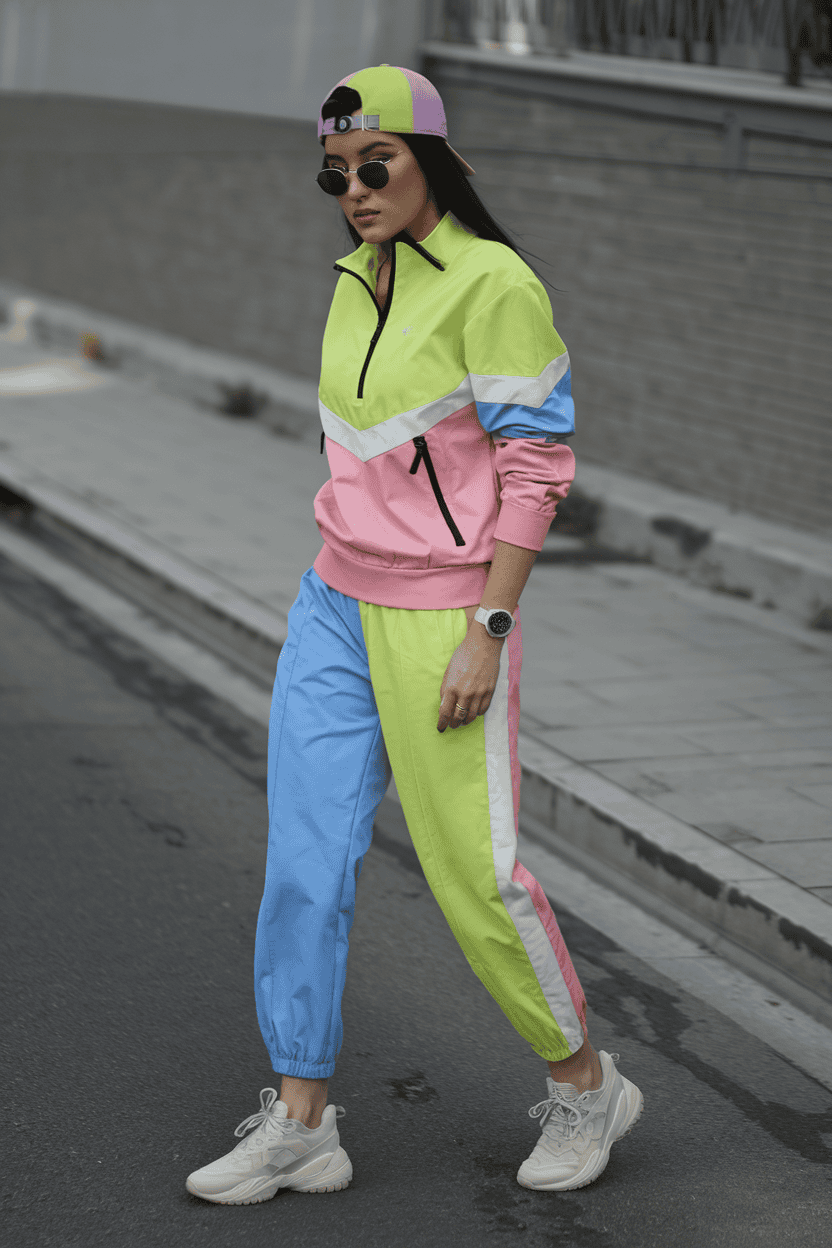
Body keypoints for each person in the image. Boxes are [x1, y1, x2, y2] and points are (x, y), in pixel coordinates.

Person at [186, 64, 643, 1206]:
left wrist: (491, 623)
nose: (353, 189)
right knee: (303, 864)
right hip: (333, 604)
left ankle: (587, 1084)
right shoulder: (355, 275)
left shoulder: (496, 284)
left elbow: (537, 465)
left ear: (433, 161)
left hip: (445, 618)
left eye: (374, 164)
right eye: (334, 173)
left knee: (470, 879)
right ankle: (301, 1121)